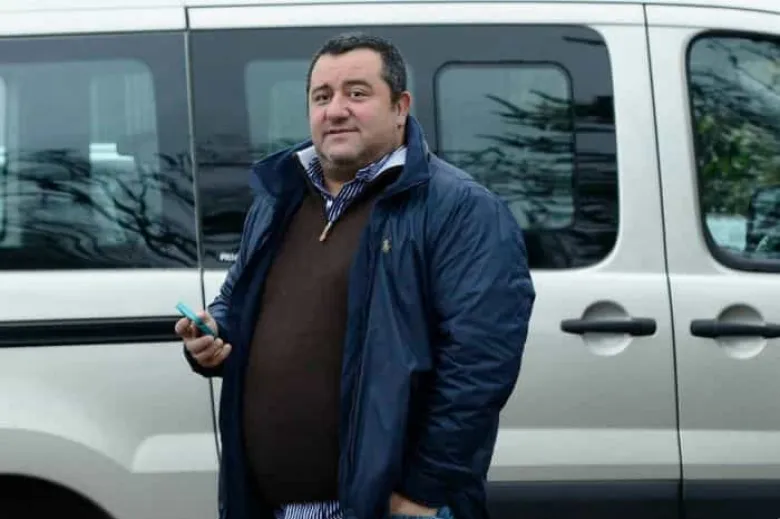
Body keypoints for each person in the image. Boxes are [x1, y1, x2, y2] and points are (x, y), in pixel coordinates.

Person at [175, 32, 535, 519]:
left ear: (400, 107)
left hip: (388, 508)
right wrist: (214, 334)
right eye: (322, 97)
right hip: (272, 506)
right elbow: (237, 301)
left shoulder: (462, 209)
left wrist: (424, 492)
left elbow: (479, 366)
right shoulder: (278, 200)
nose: (336, 110)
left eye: (357, 93)